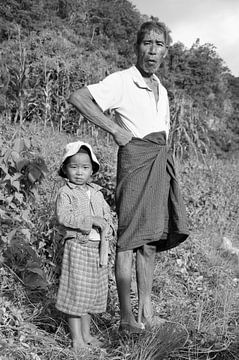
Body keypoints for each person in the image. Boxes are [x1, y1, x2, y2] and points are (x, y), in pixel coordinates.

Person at [68, 21, 189, 334]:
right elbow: (79, 97)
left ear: (166, 50)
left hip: (158, 163)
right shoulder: (123, 81)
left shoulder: (161, 89)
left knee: (149, 241)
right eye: (146, 42)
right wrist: (114, 130)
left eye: (159, 44)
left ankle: (146, 309)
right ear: (137, 47)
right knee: (127, 241)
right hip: (135, 161)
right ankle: (126, 318)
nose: (152, 49)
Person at [55, 140, 114, 350]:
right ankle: (76, 340)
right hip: (78, 246)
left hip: (97, 250)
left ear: (92, 170)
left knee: (90, 293)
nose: (79, 172)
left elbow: (107, 215)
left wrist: (108, 225)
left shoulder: (96, 192)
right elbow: (64, 217)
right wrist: (90, 220)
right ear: (64, 168)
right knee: (76, 293)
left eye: (85, 167)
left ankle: (87, 335)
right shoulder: (66, 193)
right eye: (74, 167)